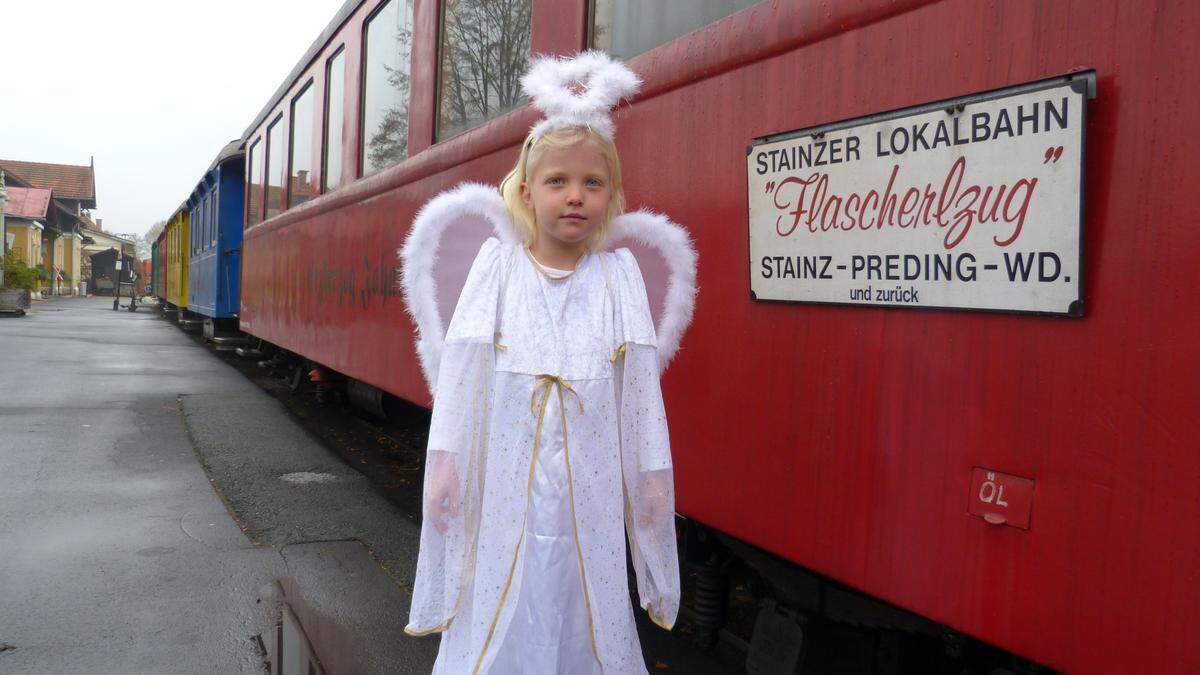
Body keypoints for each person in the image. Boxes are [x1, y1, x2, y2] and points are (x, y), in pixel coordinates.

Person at [402, 51, 695, 675]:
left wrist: (649, 485)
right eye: (558, 181)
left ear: (611, 195)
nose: (575, 197)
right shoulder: (497, 266)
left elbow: (640, 393)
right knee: (508, 580)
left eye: (593, 184)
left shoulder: (619, 278)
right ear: (526, 189)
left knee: (576, 587)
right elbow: (462, 375)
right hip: (507, 478)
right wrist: (447, 464)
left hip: (586, 482)